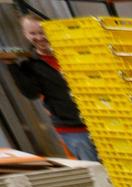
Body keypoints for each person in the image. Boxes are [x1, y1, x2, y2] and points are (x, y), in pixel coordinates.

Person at [1, 15, 98, 162]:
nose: (39, 37)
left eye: (42, 32)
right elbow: (31, 93)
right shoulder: (30, 65)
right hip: (73, 128)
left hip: (100, 121)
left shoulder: (74, 55)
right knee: (97, 171)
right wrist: (12, 65)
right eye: (33, 33)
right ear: (25, 34)